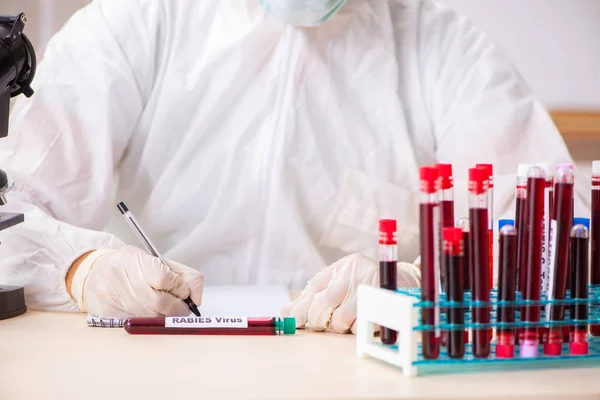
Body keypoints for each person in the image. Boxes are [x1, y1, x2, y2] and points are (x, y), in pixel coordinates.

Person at [0, 0, 589, 334]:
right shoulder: (136, 22)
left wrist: (419, 285)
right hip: (160, 351)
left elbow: (556, 228)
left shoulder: (440, 47)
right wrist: (80, 266)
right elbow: (13, 206)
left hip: (359, 372)